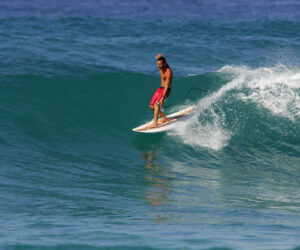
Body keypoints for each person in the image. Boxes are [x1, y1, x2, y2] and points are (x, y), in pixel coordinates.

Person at [149, 54, 173, 128]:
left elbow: (166, 85)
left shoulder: (168, 72)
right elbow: (162, 61)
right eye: (157, 64)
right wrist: (159, 57)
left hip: (166, 90)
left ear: (164, 63)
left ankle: (155, 123)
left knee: (157, 104)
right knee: (151, 106)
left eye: (160, 64)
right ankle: (164, 117)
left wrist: (163, 98)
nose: (158, 66)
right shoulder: (161, 67)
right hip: (160, 88)